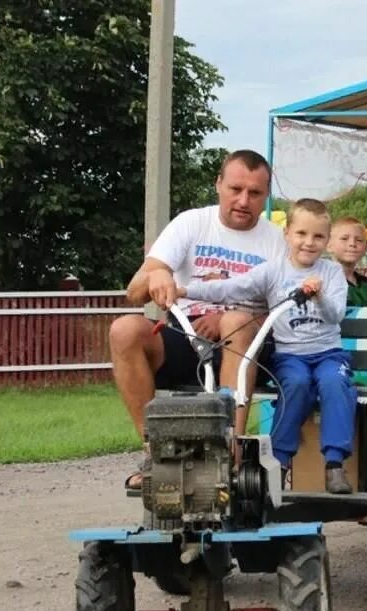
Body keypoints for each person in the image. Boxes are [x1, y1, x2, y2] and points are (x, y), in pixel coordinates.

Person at [111, 150, 288, 489]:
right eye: (235, 189)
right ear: (218, 184)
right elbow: (133, 293)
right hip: (188, 338)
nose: (243, 200)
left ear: (266, 196)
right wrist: (157, 274)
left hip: (245, 345)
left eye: (254, 193)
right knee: (125, 329)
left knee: (236, 320)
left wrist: (224, 318)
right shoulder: (191, 223)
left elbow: (281, 310)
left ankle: (227, 449)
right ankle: (156, 451)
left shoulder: (276, 242)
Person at [177, 199, 356, 494]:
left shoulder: (332, 273)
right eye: (301, 234)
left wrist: (319, 296)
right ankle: (280, 462)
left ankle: (335, 464)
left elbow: (336, 315)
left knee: (335, 383)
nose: (309, 243)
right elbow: (229, 288)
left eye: (318, 236)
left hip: (328, 353)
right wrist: (185, 289)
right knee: (295, 384)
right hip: (291, 356)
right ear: (287, 233)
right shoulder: (272, 271)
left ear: (327, 240)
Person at [327, 216, 367, 308]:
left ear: (365, 248)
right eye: (344, 238)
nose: (352, 244)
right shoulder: (325, 283)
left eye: (359, 240)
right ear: (329, 245)